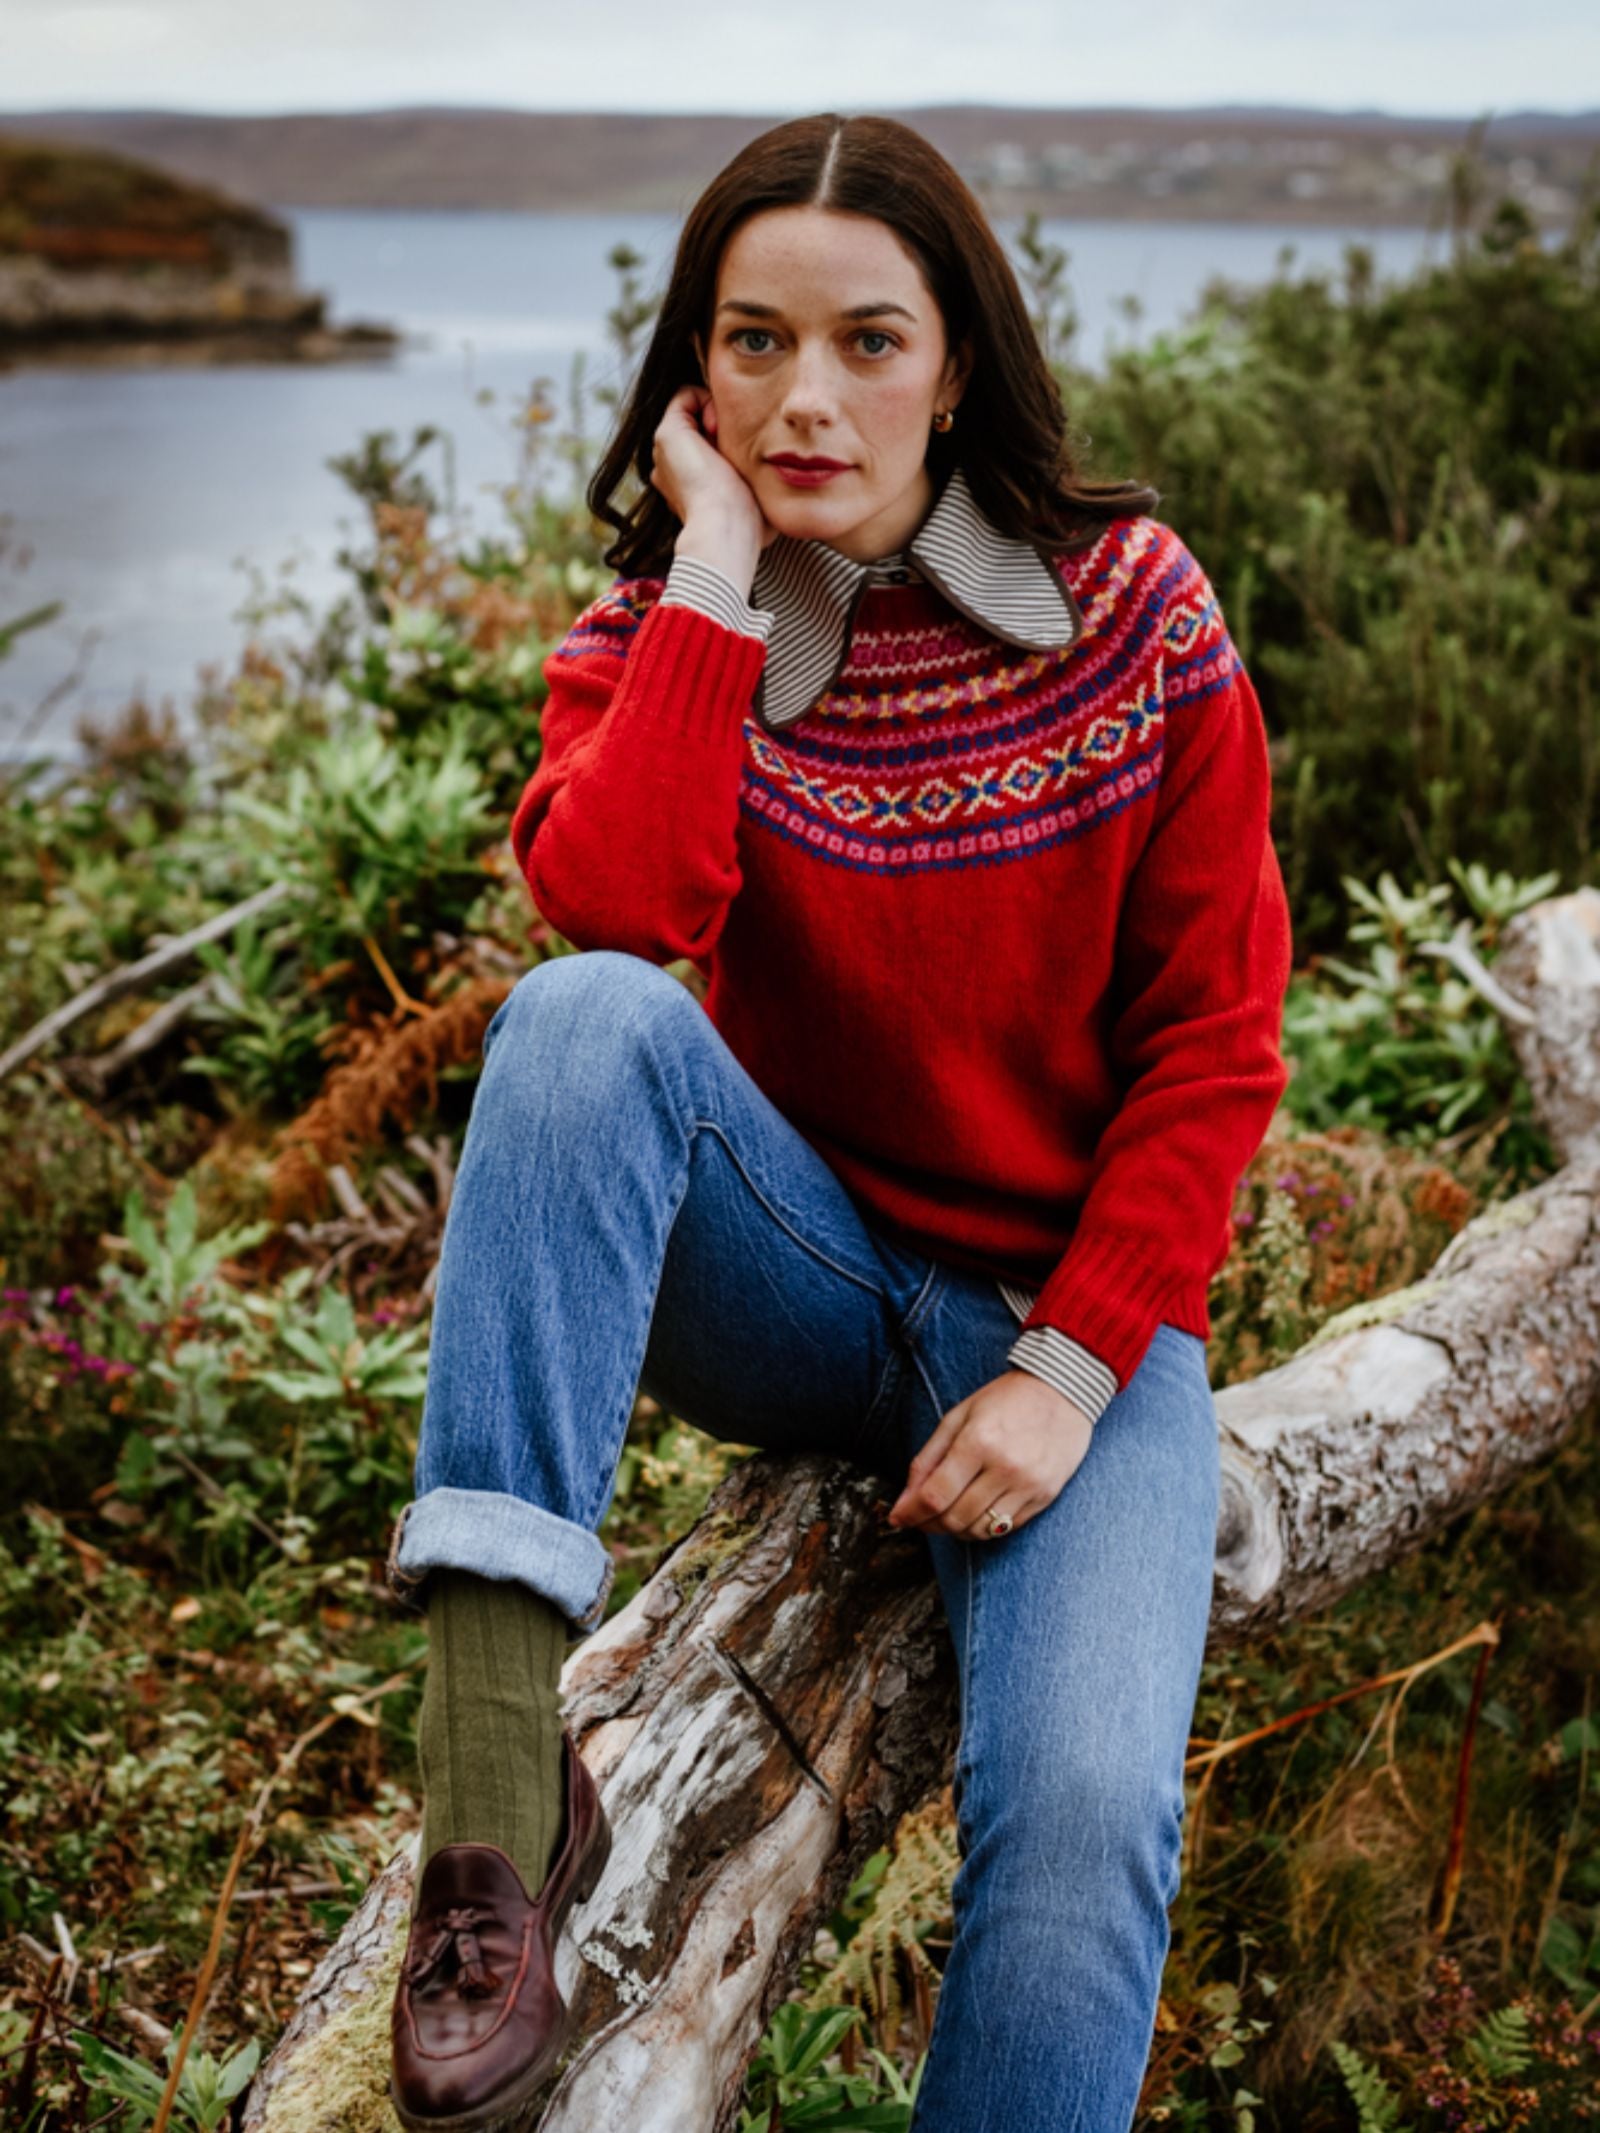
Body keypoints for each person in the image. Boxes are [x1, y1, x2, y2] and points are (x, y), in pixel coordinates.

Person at [385, 109, 1293, 2133]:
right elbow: (618, 919)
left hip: (1065, 1322)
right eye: (752, 341)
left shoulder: (1130, 613)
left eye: (867, 340)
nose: (807, 396)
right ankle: (493, 1809)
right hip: (792, 1275)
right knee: (579, 1023)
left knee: (1072, 1825)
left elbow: (1217, 1039)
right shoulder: (657, 639)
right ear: (692, 375)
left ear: (957, 357)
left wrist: (1068, 1367)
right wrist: (720, 569)